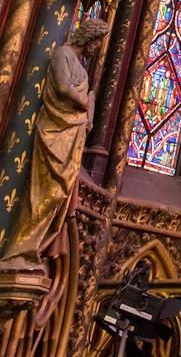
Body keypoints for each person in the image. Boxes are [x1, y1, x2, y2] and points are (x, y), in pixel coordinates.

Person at [0, 18, 107, 286]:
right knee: (42, 193)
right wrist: (86, 101)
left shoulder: (81, 65)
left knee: (55, 194)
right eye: (96, 41)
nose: (96, 48)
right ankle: (17, 250)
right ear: (87, 37)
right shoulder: (63, 54)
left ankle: (30, 250)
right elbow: (61, 87)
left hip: (71, 139)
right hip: (54, 135)